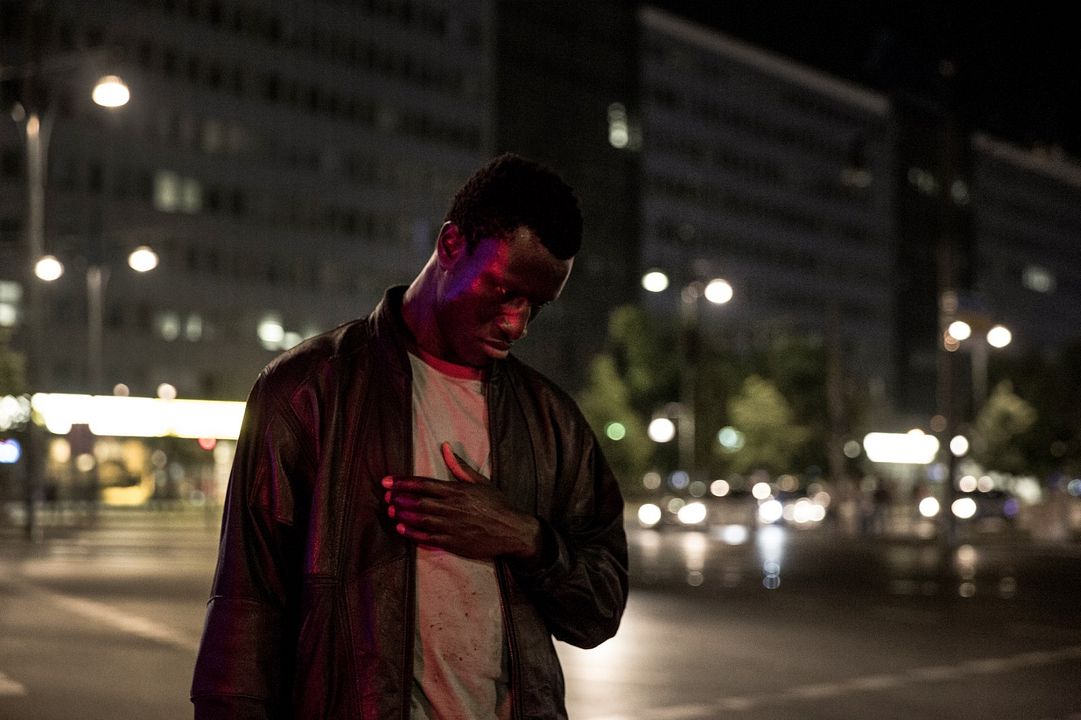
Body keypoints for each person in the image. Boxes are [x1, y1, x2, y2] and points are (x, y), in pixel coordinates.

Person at [191, 153, 629, 719]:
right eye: (503, 291)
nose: (517, 323)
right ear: (451, 245)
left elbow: (600, 610)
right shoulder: (307, 391)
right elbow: (246, 607)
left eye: (536, 307)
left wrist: (523, 536)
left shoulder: (552, 421)